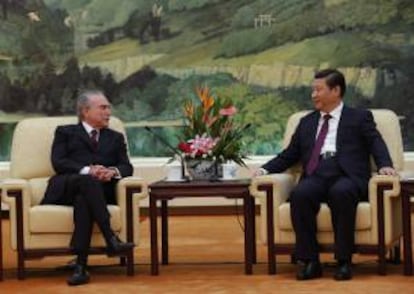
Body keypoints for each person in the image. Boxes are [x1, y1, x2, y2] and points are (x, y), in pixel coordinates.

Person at [253, 69, 396, 281]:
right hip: (316, 174)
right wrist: (264, 169)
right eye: (313, 90)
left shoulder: (359, 117)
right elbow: (290, 154)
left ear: (336, 90)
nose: (313, 94)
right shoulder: (307, 122)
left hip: (346, 174)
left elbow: (376, 143)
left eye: (318, 90)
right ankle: (310, 261)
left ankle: (344, 261)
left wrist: (385, 165)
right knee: (301, 195)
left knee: (342, 193)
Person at [41, 89, 134, 286]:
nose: (108, 112)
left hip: (98, 193)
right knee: (87, 181)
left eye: (109, 107)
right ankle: (110, 237)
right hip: (67, 186)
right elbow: (58, 162)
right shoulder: (65, 132)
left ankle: (81, 267)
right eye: (103, 107)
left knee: (84, 200)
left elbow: (127, 167)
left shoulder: (115, 137)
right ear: (85, 111)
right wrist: (87, 170)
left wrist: (112, 172)